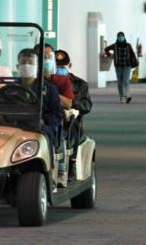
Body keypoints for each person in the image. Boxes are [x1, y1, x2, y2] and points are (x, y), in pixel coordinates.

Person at [15, 48, 62, 178]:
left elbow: (57, 114)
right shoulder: (10, 89)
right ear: (17, 66)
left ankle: (49, 172)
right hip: (15, 125)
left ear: (37, 66)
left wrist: (42, 121)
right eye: (23, 62)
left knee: (45, 133)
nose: (26, 65)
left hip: (39, 125)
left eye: (30, 62)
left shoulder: (49, 88)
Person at [35, 43, 75, 187]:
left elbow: (68, 104)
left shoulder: (62, 80)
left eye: (48, 56)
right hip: (33, 118)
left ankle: (61, 170)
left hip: (55, 119)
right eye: (43, 57)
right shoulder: (31, 80)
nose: (46, 59)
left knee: (55, 133)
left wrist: (51, 93)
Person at [55, 49, 93, 182]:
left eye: (62, 67)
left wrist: (72, 104)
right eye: (57, 67)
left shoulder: (80, 84)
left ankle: (72, 162)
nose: (59, 70)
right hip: (57, 117)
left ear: (69, 66)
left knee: (72, 123)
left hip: (74, 121)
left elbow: (87, 106)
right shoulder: (49, 82)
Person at [104, 31, 138, 104]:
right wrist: (110, 55)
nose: (121, 37)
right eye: (119, 36)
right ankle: (121, 97)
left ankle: (127, 95)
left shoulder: (128, 45)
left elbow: (133, 54)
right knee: (120, 82)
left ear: (124, 37)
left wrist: (136, 63)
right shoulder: (115, 45)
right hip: (118, 66)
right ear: (117, 37)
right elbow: (106, 49)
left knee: (126, 81)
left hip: (127, 66)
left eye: (122, 36)